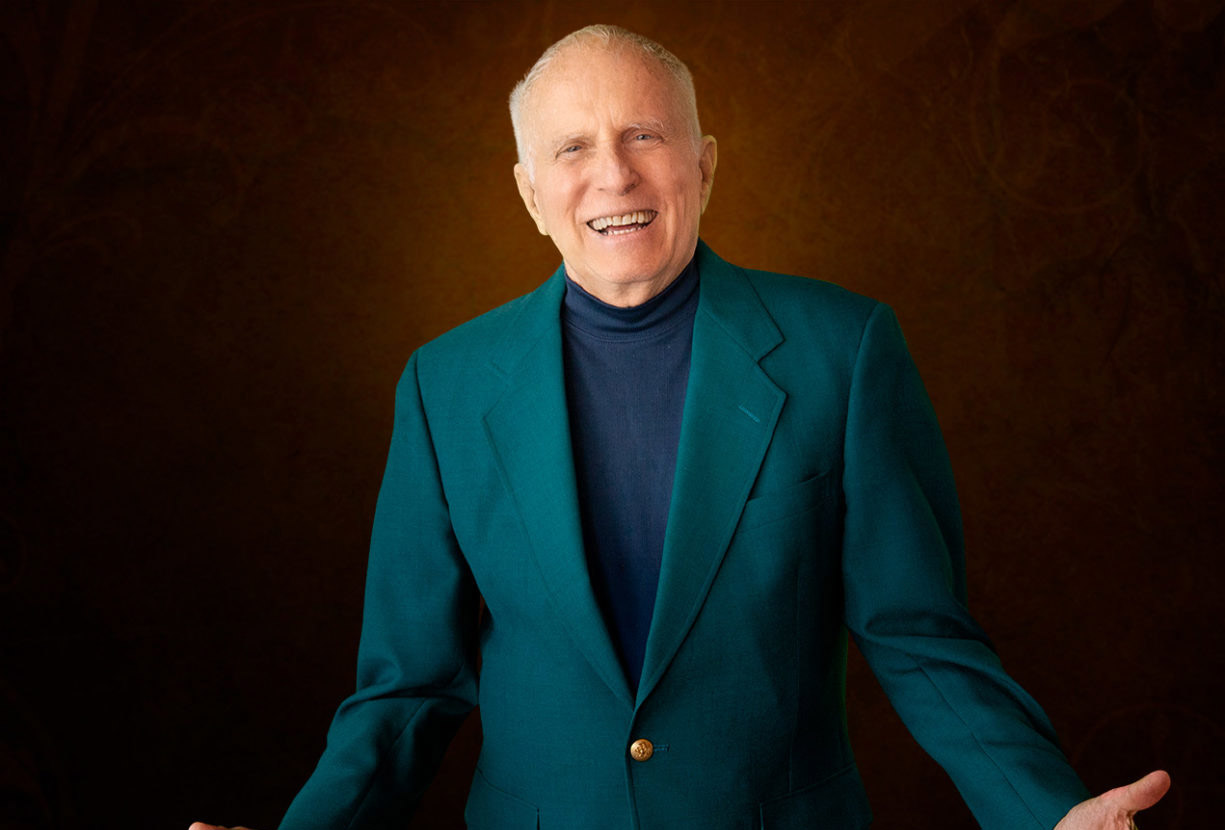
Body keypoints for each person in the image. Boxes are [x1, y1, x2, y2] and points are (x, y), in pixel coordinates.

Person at [191, 24, 1169, 830]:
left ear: (702, 164)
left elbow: (917, 633)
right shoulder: (442, 385)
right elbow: (408, 686)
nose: (613, 175)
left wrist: (1048, 812)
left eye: (644, 136)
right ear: (529, 192)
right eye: (572, 148)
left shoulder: (843, 349)